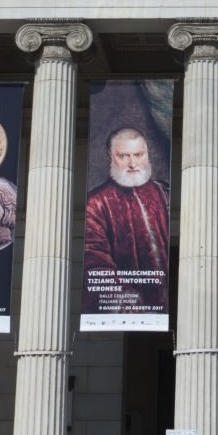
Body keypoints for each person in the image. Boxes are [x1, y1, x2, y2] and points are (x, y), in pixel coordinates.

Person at [83, 127, 170, 311]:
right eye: (124, 156)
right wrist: (126, 299)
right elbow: (95, 262)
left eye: (139, 155)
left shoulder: (164, 193)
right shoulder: (94, 204)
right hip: (133, 313)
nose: (133, 163)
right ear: (110, 156)